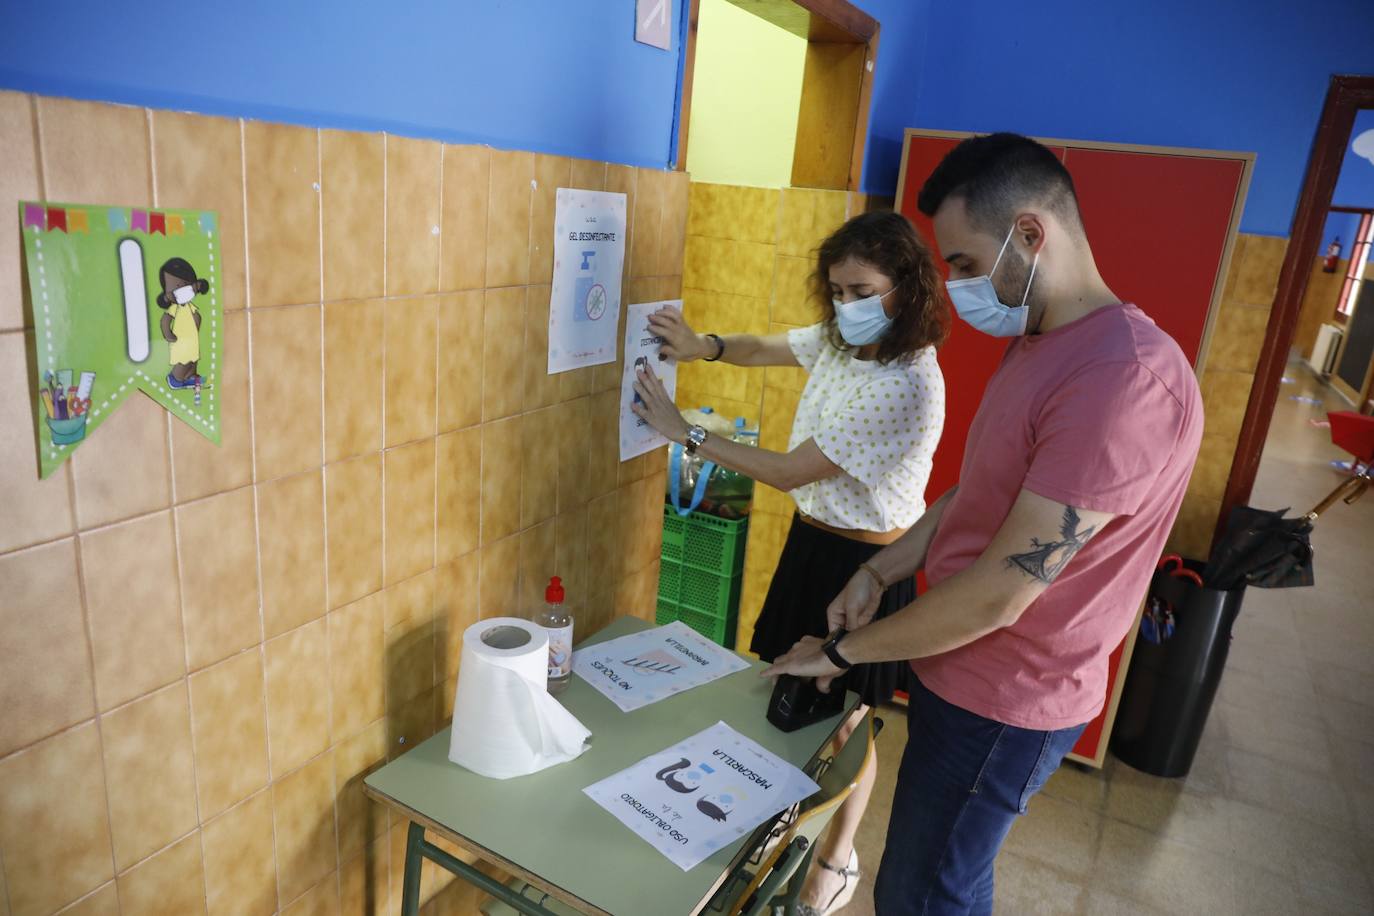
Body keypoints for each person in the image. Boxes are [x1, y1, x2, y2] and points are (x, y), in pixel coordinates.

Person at [762, 133, 1205, 915]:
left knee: (925, 893)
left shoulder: (1121, 381)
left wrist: (839, 653)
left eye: (964, 263)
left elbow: (1004, 589)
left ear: (1030, 235)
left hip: (1009, 695)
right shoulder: (1042, 343)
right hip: (960, 670)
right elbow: (979, 495)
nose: (956, 285)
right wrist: (879, 570)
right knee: (933, 876)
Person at [632, 210, 948, 915]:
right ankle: (776, 839)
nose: (846, 305)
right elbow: (763, 348)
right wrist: (702, 344)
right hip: (814, 544)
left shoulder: (904, 384)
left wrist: (685, 435)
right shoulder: (844, 342)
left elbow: (786, 471)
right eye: (835, 290)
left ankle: (832, 864)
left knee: (846, 723)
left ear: (907, 287)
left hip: (867, 563)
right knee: (787, 695)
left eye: (862, 290)